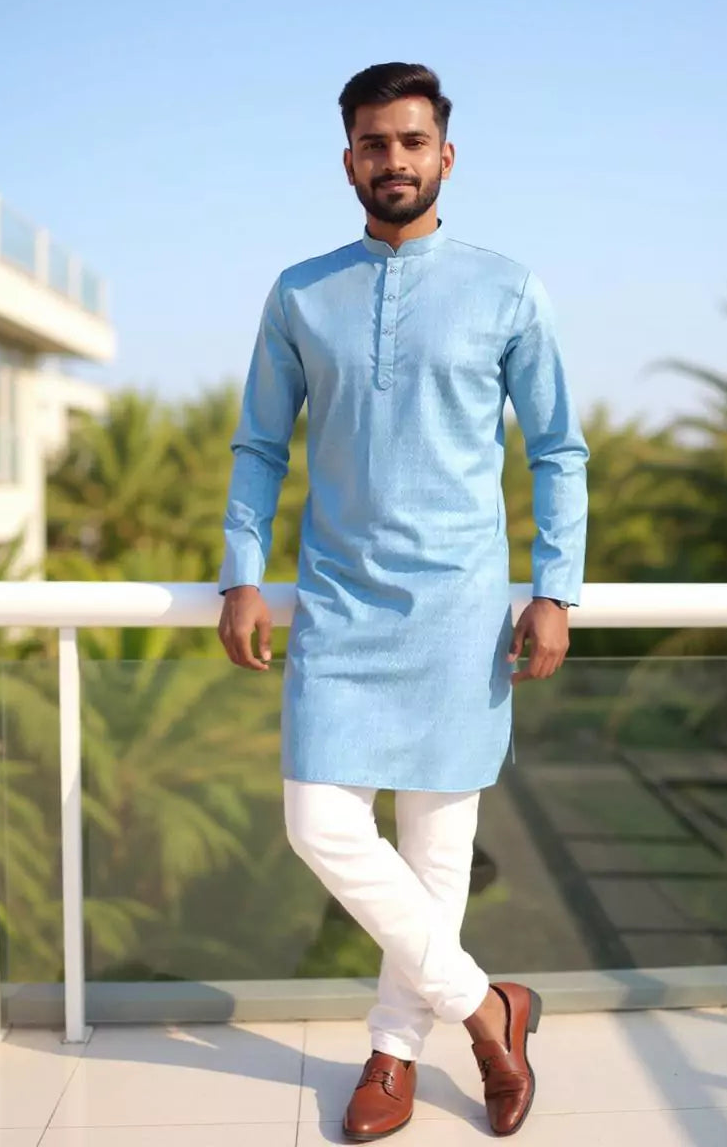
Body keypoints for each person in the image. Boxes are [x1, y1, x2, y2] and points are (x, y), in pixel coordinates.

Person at [217, 62, 589, 1140]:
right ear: (348, 160)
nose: (394, 160)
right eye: (374, 143)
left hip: (462, 613)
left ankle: (393, 1050)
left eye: (412, 141)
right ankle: (489, 1008)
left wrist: (554, 589)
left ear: (446, 156)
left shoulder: (508, 289)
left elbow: (557, 450)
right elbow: (258, 445)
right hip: (336, 605)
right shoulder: (300, 293)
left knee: (434, 854)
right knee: (318, 823)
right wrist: (242, 569)